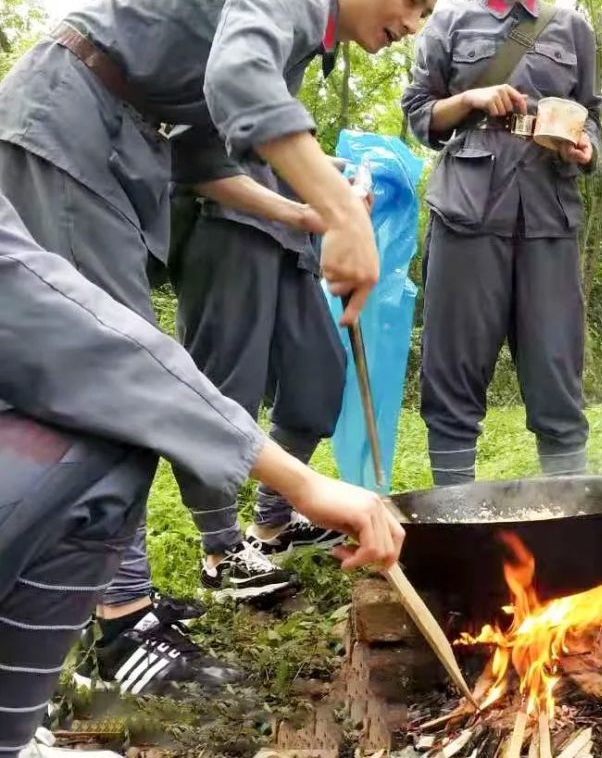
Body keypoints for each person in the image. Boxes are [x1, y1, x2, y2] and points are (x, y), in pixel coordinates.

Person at [0, 0, 459, 686]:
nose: (411, 23)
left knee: (117, 369)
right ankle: (121, 623)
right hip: (68, 123)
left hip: (114, 143)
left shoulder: (292, 45)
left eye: (424, 14)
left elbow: (203, 160)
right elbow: (236, 82)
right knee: (112, 373)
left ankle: (118, 599)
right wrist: (347, 215)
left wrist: (303, 211)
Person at [0, 189, 404, 756]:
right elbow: (86, 347)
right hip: (230, 223)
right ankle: (124, 624)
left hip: (278, 233)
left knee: (120, 419)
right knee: (107, 437)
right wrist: (303, 483)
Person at [169, 0, 351, 605]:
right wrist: (307, 205)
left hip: (286, 229)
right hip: (223, 222)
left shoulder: (287, 14)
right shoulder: (209, 9)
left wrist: (322, 174)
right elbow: (199, 151)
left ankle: (274, 521)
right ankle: (220, 551)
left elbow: (269, 134)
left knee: (316, 381)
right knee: (227, 388)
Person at [401, 0, 601, 487]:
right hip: (466, 214)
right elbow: (417, 112)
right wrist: (471, 96)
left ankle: (568, 526)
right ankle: (456, 516)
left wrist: (585, 146)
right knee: (454, 376)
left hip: (548, 217)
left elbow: (594, 116)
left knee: (556, 376)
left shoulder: (572, 30)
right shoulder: (449, 23)